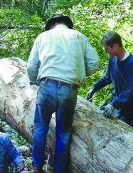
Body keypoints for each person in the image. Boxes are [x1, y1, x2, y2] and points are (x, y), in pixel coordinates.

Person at [27, 14, 99, 173]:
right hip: (69, 90)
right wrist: (77, 72)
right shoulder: (79, 37)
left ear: (52, 25)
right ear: (67, 24)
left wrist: (34, 81)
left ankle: (36, 166)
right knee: (63, 133)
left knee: (40, 128)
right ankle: (58, 170)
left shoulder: (43, 36)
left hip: (46, 86)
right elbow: (94, 62)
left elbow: (31, 67)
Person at [86, 31, 133, 127]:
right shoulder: (113, 58)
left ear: (115, 46)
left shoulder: (132, 64)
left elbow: (129, 92)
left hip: (127, 111)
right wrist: (94, 88)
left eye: (106, 49)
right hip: (114, 103)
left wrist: (113, 105)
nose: (105, 51)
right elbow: (107, 77)